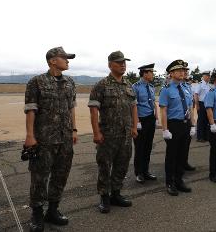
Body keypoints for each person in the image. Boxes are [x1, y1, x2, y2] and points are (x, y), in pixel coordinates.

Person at [24, 47, 77, 231]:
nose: (68, 61)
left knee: (61, 174)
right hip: (44, 139)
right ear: (53, 60)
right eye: (65, 58)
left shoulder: (70, 82)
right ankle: (37, 213)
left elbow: (72, 108)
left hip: (65, 138)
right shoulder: (36, 82)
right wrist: (30, 135)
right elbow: (31, 109)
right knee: (39, 177)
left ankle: (53, 210)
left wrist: (74, 129)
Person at [88, 51, 139, 213]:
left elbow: (134, 107)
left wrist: (134, 126)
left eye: (124, 62)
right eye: (119, 62)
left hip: (125, 134)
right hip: (108, 134)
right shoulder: (101, 85)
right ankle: (104, 197)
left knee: (122, 165)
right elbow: (94, 111)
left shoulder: (128, 84)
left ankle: (116, 194)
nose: (123, 64)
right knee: (104, 166)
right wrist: (96, 133)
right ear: (110, 65)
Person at [158, 59, 194, 196]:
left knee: (182, 154)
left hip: (185, 124)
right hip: (173, 125)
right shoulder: (166, 90)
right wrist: (165, 129)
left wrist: (193, 125)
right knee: (172, 155)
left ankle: (179, 180)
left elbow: (190, 108)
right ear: (171, 73)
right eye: (179, 70)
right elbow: (163, 111)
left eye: (183, 70)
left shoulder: (186, 88)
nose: (182, 72)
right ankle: (170, 182)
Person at [132, 63, 158, 184]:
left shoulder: (151, 87)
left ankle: (146, 171)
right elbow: (134, 106)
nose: (152, 74)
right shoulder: (135, 87)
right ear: (145, 73)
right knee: (140, 147)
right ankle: (139, 173)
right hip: (140, 120)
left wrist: (156, 117)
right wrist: (136, 122)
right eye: (151, 72)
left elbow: (153, 103)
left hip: (150, 119)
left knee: (148, 146)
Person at [182, 63, 197, 171]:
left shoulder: (188, 87)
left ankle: (184, 163)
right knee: (176, 147)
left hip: (187, 120)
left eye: (187, 70)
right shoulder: (169, 87)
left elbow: (190, 106)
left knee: (186, 144)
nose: (186, 72)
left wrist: (192, 123)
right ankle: (175, 167)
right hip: (176, 122)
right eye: (184, 70)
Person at [194, 71, 211, 142]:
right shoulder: (200, 85)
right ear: (203, 76)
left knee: (207, 120)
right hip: (201, 104)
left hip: (207, 104)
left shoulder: (209, 85)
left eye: (209, 76)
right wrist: (197, 105)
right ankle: (200, 137)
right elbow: (196, 95)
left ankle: (206, 136)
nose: (208, 77)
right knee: (201, 120)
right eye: (207, 76)